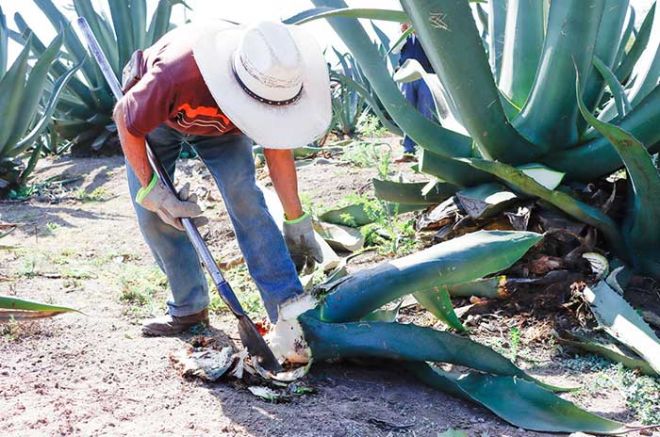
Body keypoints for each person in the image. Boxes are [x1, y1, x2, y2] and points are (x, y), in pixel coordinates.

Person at [112, 21, 331, 336]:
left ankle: (288, 310)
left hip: (224, 130)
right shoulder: (177, 73)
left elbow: (278, 153)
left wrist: (296, 220)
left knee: (246, 199)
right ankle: (189, 311)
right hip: (159, 121)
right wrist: (154, 191)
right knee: (154, 214)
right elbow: (124, 117)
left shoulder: (277, 80)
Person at [396, 23, 436, 163]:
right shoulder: (402, 36)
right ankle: (408, 150)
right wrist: (403, 33)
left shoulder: (427, 32)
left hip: (426, 75)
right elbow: (395, 49)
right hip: (406, 77)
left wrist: (420, 33)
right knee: (408, 112)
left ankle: (425, 150)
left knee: (427, 112)